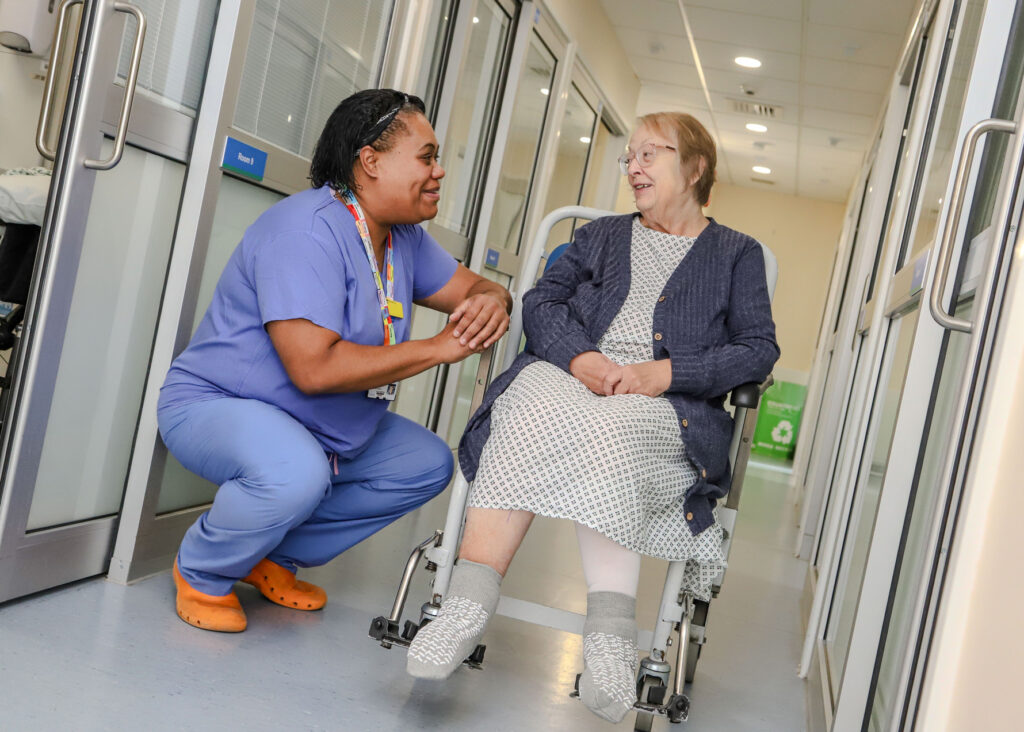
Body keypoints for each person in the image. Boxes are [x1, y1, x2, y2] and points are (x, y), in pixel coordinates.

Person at [406, 112, 779, 723]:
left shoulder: (737, 255)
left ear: (695, 167)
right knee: (524, 408)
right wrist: (580, 358)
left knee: (618, 427)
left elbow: (757, 348)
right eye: (628, 156)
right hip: (570, 376)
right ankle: (463, 610)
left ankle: (608, 641)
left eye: (649, 155)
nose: (633, 167)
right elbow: (542, 302)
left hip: (662, 405)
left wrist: (666, 373)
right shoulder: (601, 235)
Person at [157, 89, 511, 633]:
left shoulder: (402, 239)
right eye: (426, 157)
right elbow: (313, 369)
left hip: (319, 422)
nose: (439, 172)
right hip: (219, 405)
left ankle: (270, 557)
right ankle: (203, 570)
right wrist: (437, 350)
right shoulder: (307, 229)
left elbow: (478, 287)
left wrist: (492, 299)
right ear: (370, 160)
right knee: (293, 471)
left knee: (426, 464)